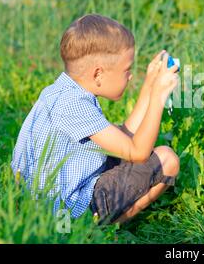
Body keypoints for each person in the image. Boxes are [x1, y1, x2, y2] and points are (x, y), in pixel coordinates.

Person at [11, 14, 180, 224]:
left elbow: (126, 140)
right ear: (98, 74)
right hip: (63, 211)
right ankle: (96, 232)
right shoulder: (75, 105)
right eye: (127, 70)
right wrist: (159, 97)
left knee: (127, 149)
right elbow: (137, 152)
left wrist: (149, 86)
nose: (130, 76)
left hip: (38, 201)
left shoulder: (62, 92)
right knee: (167, 159)